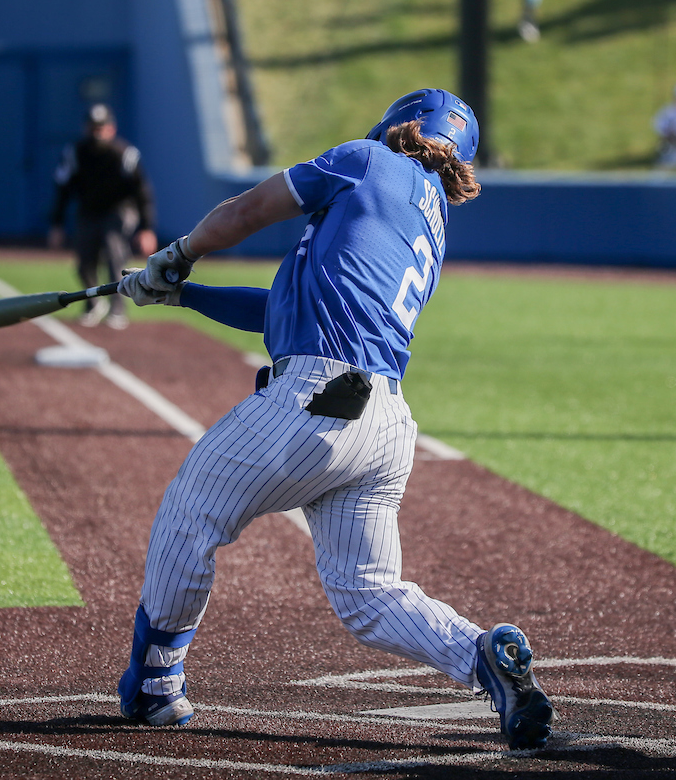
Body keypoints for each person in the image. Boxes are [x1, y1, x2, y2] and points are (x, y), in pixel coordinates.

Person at [113, 89, 555, 750]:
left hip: (316, 401)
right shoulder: (430, 218)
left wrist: (178, 255)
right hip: (384, 424)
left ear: (397, 124)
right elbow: (282, 311)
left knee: (192, 510)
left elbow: (245, 210)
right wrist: (183, 294)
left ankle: (153, 683)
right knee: (369, 596)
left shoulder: (366, 161)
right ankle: (481, 655)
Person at [48, 103, 158, 329]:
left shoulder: (124, 154)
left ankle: (117, 308)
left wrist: (146, 228)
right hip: (89, 210)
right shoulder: (75, 152)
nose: (97, 133)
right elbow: (63, 188)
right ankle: (93, 304)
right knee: (84, 262)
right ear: (85, 128)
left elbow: (142, 191)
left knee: (114, 253)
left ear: (111, 128)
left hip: (119, 209)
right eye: (93, 128)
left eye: (101, 128)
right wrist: (57, 223)